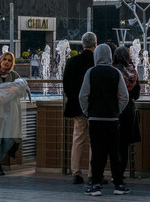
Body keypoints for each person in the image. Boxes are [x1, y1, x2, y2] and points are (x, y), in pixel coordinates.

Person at [79, 44, 129, 197]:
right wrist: (117, 110)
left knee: (97, 152)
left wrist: (88, 111)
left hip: (95, 118)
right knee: (114, 152)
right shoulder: (116, 73)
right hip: (112, 119)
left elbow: (83, 96)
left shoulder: (91, 72)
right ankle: (119, 184)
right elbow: (125, 96)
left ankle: (95, 184)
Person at [63, 32, 97, 184]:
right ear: (95, 44)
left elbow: (67, 86)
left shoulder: (72, 61)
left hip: (77, 106)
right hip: (95, 107)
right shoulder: (97, 62)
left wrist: (75, 99)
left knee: (78, 138)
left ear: (82, 44)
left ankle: (76, 172)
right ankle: (93, 173)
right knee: (95, 140)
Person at [112, 46, 141, 180]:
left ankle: (113, 172)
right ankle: (120, 173)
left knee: (113, 143)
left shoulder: (113, 71)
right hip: (128, 110)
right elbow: (136, 94)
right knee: (124, 144)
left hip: (114, 110)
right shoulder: (133, 72)